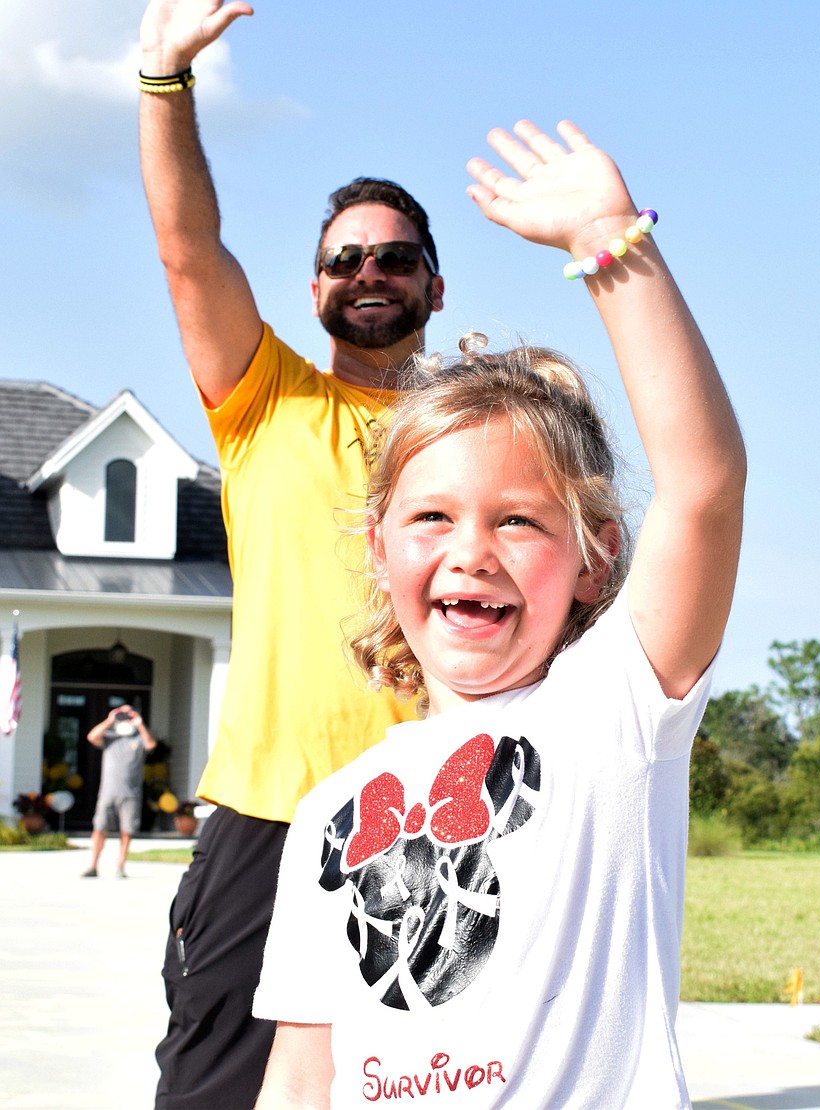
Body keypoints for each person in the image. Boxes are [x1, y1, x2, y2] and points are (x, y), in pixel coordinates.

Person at [252, 118, 747, 1108]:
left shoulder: (611, 714)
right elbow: (304, 1076)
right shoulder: (326, 814)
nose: (469, 551)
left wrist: (609, 243)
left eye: (518, 520)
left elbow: (701, 487)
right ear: (378, 549)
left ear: (595, 561)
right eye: (431, 515)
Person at [138, 2, 444, 1106]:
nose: (370, 270)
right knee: (217, 1088)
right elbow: (187, 253)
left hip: (437, 810)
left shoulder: (484, 435)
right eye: (344, 257)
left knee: (427, 1083)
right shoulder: (265, 398)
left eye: (396, 257)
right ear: (314, 287)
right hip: (272, 814)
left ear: (433, 288)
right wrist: (164, 82)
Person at [82, 705, 156, 879]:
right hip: (107, 793)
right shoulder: (110, 738)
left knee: (126, 831)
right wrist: (110, 719)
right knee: (99, 828)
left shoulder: (138, 739)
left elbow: (151, 744)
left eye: (128, 715)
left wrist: (139, 724)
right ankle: (93, 866)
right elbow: (91, 737)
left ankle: (120, 866)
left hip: (131, 794)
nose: (125, 719)